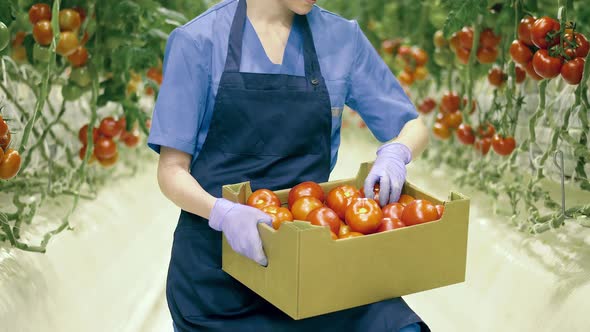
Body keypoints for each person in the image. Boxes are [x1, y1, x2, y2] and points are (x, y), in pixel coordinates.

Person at [147, 0, 430, 331]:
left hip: (311, 264)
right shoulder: (199, 41)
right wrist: (222, 212)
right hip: (218, 278)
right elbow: (171, 171)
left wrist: (397, 150)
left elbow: (414, 126)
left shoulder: (341, 39)